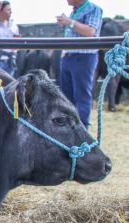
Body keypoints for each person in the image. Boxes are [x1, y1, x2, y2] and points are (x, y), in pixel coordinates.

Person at [56, 0, 103, 128]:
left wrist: (69, 22)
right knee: (66, 96)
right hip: (69, 56)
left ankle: (82, 130)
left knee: (81, 95)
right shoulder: (75, 10)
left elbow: (90, 32)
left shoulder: (94, 9)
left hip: (84, 56)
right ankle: (68, 130)